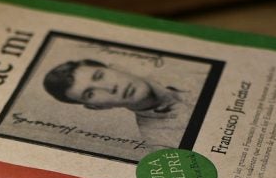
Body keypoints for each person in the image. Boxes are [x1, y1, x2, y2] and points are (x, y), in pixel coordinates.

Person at [42, 58, 193, 147]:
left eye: (99, 76)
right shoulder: (161, 142)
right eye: (91, 93)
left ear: (116, 68)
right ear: (97, 107)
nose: (110, 87)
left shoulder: (187, 66)